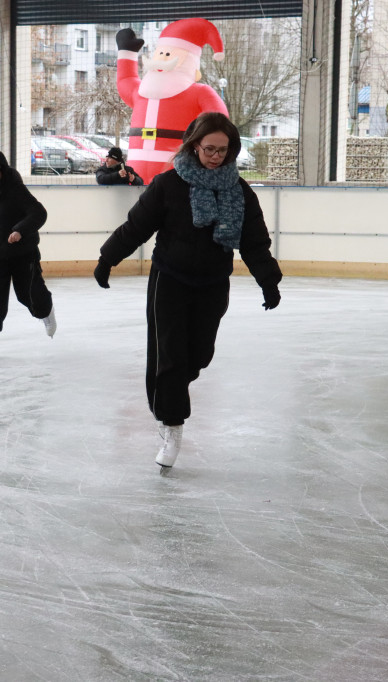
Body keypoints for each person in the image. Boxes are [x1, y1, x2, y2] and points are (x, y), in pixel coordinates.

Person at [93, 112, 282, 471]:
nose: (216, 156)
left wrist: (268, 281)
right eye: (210, 149)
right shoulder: (168, 185)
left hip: (213, 284)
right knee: (170, 357)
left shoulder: (239, 192)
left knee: (199, 355)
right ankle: (171, 425)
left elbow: (254, 242)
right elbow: (136, 227)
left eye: (223, 150)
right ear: (194, 145)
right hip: (170, 281)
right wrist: (107, 259)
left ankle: (171, 397)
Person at [114, 18, 228, 181]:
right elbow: (126, 80)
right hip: (135, 175)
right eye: (160, 53)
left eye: (168, 54)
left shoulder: (199, 93)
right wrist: (127, 52)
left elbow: (219, 121)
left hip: (175, 173)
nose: (162, 59)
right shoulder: (141, 92)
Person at [0, 150, 57, 356]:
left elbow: (39, 213)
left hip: (23, 253)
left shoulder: (16, 190)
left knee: (28, 294)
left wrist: (19, 230)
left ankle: (46, 311)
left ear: (4, 175)